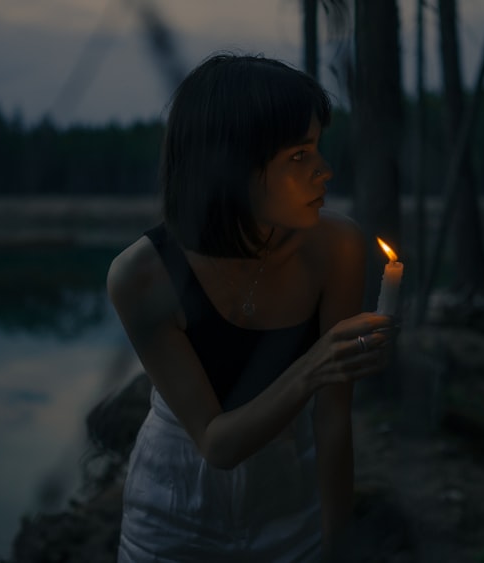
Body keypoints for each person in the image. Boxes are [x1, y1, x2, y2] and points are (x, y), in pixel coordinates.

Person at [107, 53, 397, 562]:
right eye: (299, 156)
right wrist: (315, 364)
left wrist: (337, 541)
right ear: (232, 165)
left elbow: (333, 419)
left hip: (291, 496)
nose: (325, 171)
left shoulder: (338, 249)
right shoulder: (143, 275)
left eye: (319, 149)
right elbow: (216, 445)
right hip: (174, 504)